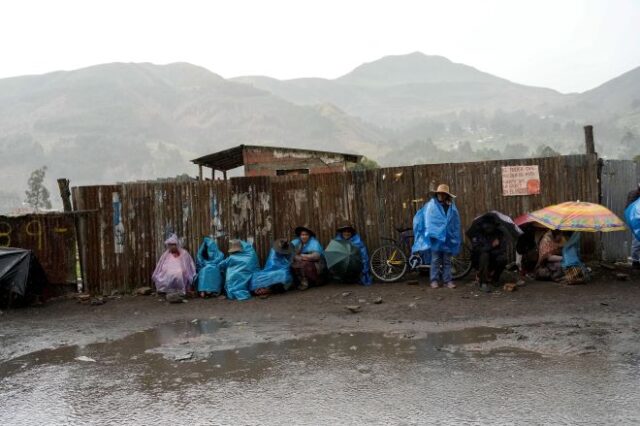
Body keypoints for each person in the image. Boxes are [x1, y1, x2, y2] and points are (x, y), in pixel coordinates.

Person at [413, 184, 462, 289]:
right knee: (435, 260)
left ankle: (447, 281)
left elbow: (455, 223)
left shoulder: (452, 207)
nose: (441, 195)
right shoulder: (432, 205)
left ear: (446, 195)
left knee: (447, 261)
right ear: (437, 194)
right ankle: (434, 280)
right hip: (436, 238)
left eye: (443, 194)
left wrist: (453, 235)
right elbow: (428, 220)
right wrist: (433, 232)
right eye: (439, 193)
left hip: (447, 238)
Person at [471, 219, 507, 292]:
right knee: (484, 255)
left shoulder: (499, 234)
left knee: (503, 259)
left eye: (491, 226)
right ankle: (483, 282)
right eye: (486, 226)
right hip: (479, 260)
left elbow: (502, 250)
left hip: (493, 258)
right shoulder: (478, 234)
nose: (488, 228)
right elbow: (478, 250)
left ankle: (495, 279)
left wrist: (491, 251)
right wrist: (492, 246)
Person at [291, 226, 326, 290]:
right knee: (293, 265)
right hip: (303, 261)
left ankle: (314, 281)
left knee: (304, 264)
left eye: (306, 235)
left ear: (309, 236)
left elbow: (317, 256)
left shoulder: (314, 243)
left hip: (317, 264)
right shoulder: (298, 243)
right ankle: (301, 281)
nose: (304, 236)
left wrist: (303, 256)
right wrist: (297, 257)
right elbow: (292, 253)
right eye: (302, 235)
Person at [627, 183, 640, 269]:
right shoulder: (633, 194)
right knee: (636, 241)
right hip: (636, 220)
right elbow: (631, 207)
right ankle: (635, 262)